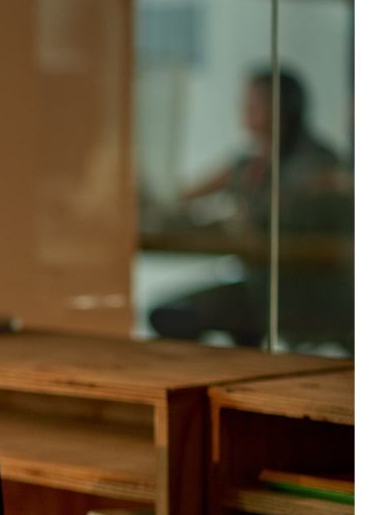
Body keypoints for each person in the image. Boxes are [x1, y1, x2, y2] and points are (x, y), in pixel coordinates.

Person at [151, 70, 354, 350]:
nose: (244, 111)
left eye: (255, 103)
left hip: (303, 295)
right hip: (261, 289)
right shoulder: (250, 164)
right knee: (171, 314)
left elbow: (285, 218)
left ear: (282, 109)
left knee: (179, 317)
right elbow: (182, 196)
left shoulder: (319, 165)